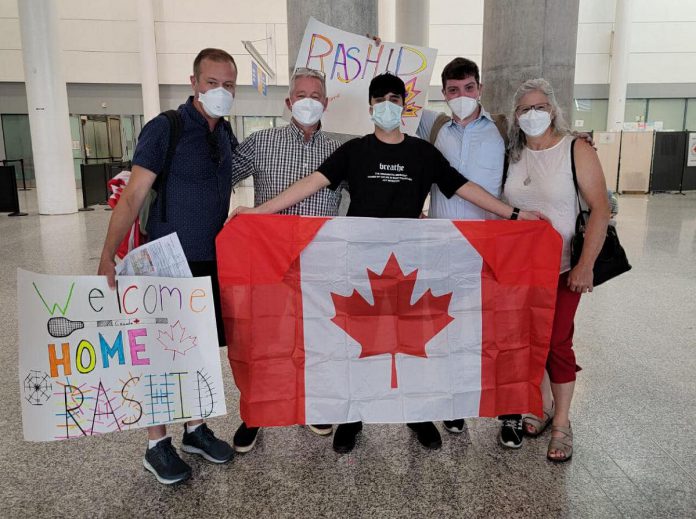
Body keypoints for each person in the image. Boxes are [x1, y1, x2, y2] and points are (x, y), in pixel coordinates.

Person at [229, 72, 544, 454]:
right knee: (356, 346)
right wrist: (260, 213)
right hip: (360, 270)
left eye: (396, 98)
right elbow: (310, 183)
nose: (388, 106)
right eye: (381, 99)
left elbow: (465, 188)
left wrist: (512, 215)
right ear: (370, 107)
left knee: (413, 344)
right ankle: (351, 417)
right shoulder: (355, 151)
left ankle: (418, 414)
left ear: (405, 105)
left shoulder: (422, 153)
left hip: (411, 270)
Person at [97, 48, 238, 484]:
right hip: (163, 260)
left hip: (207, 261)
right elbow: (135, 194)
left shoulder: (225, 133)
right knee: (158, 354)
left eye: (229, 84)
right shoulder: (167, 127)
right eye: (212, 82)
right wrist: (107, 254)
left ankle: (195, 430)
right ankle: (156, 444)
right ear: (194, 83)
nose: (221, 91)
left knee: (195, 350)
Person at [228, 67, 343, 453]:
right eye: (301, 94)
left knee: (318, 335)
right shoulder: (261, 142)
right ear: (288, 101)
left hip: (321, 260)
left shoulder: (339, 150)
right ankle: (256, 413)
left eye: (316, 94)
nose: (308, 101)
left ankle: (315, 404)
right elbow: (216, 177)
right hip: (269, 260)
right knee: (265, 339)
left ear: (326, 102)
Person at [502, 78, 610, 462]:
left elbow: (601, 207)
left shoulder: (575, 148)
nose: (532, 115)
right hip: (520, 269)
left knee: (557, 342)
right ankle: (543, 406)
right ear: (515, 117)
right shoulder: (511, 152)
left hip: (564, 268)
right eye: (524, 109)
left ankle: (563, 422)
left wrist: (586, 265)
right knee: (532, 339)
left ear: (553, 110)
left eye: (540, 107)